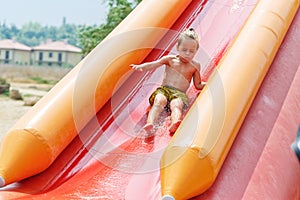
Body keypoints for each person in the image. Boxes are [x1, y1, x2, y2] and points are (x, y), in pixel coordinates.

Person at [130, 28, 206, 134]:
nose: (187, 53)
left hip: (179, 94)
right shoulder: (170, 59)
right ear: (178, 48)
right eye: (184, 50)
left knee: (176, 105)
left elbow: (198, 84)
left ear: (196, 51)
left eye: (191, 51)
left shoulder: (195, 65)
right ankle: (150, 123)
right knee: (159, 100)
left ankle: (175, 123)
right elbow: (154, 64)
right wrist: (141, 67)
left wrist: (208, 84)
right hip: (164, 89)